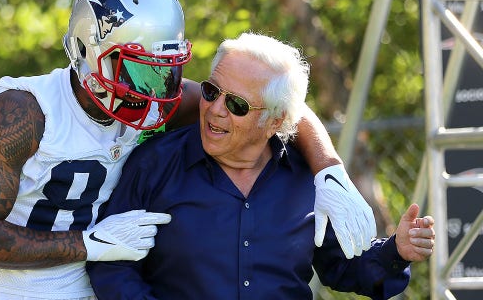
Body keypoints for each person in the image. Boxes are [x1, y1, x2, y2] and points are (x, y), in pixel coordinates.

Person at [0, 0, 376, 299]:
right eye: (136, 68)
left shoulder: (152, 100)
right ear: (88, 49)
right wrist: (88, 243)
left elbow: (283, 108)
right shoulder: (24, 110)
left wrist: (329, 170)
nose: (155, 88)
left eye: (163, 68)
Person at [86, 33, 435, 300]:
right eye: (211, 91)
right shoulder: (155, 164)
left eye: (236, 104)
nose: (215, 109)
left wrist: (396, 251)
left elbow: (342, 267)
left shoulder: (305, 180)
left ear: (274, 121)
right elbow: (111, 266)